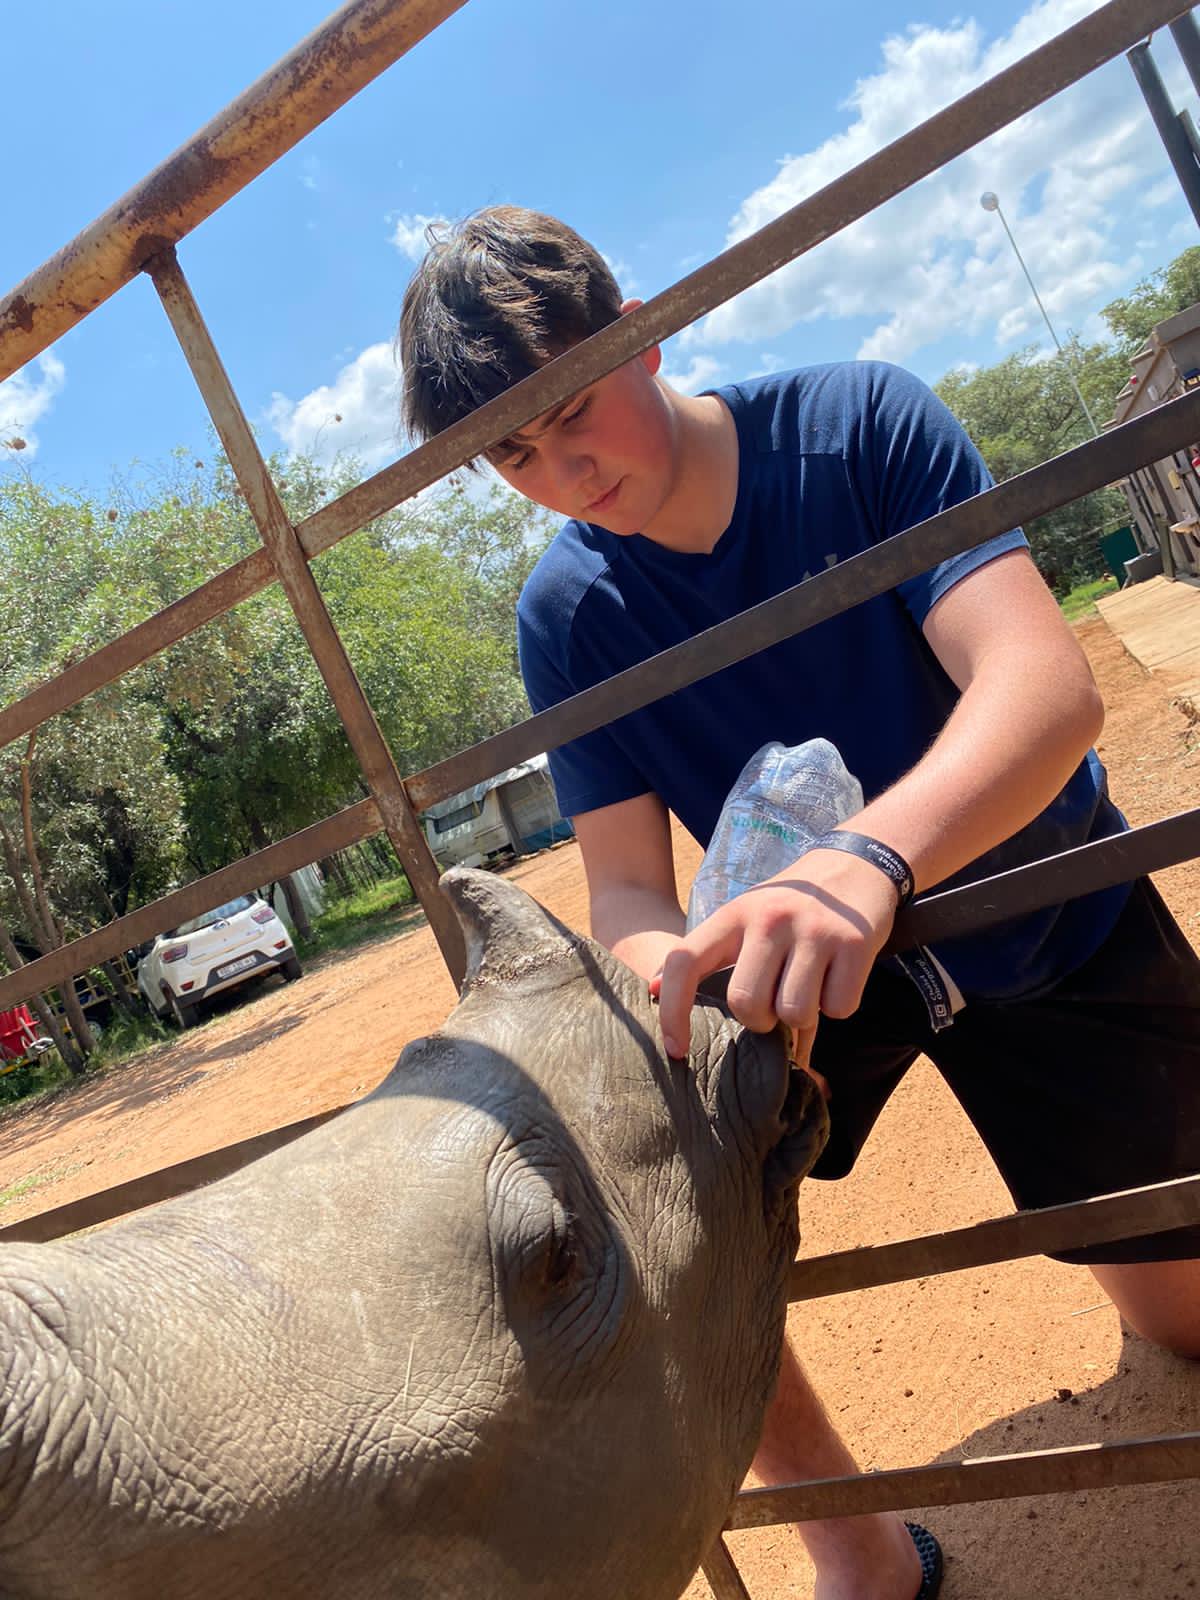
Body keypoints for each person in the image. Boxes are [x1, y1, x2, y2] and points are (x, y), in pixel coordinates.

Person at [399, 205, 1200, 1600]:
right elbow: (630, 885)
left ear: (639, 334)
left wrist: (870, 862)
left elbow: (1046, 689)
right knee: (632, 1175)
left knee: (1181, 1318)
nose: (562, 474)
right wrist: (678, 971)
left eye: (571, 410)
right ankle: (859, 1553)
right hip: (814, 977)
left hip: (1033, 912)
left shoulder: (859, 425)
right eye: (513, 455)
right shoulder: (567, 614)